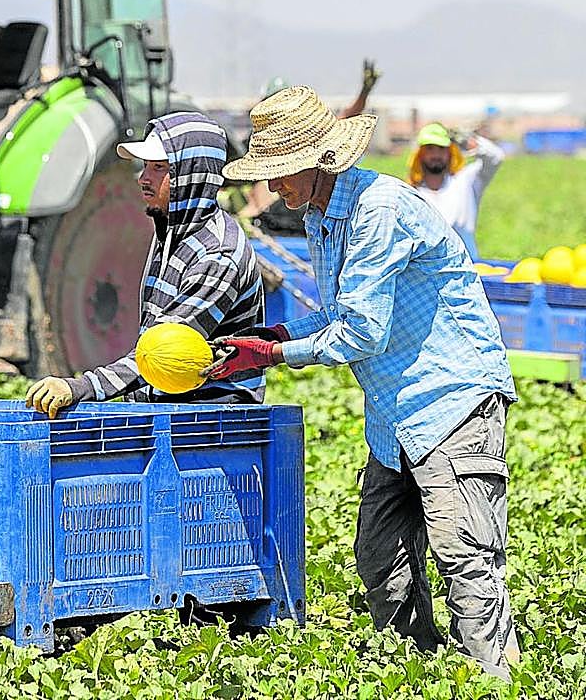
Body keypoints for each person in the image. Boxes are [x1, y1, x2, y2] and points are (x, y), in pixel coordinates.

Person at [210, 86, 520, 681]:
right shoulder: (322, 217)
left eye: (279, 173)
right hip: (394, 412)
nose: (272, 188)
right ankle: (416, 671)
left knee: (465, 556)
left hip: (448, 399)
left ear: (314, 161)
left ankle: (495, 679)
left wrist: (273, 354)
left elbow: (362, 333)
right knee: (381, 557)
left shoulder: (379, 211)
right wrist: (272, 332)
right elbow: (336, 314)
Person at [25, 112, 265, 419]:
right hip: (170, 408)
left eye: (159, 168)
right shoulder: (171, 232)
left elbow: (163, 353)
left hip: (211, 418)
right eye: (145, 167)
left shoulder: (217, 255)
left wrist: (82, 387)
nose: (143, 178)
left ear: (191, 174)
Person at [239, 59, 381, 234]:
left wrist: (364, 93)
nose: (273, 184)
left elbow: (345, 117)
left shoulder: (372, 211)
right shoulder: (314, 216)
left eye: (282, 169)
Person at [407, 122, 505, 260]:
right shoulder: (411, 194)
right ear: (419, 154)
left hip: (468, 269)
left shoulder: (465, 181)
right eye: (429, 149)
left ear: (450, 152)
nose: (436, 155)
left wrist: (466, 139)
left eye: (441, 149)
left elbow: (496, 157)